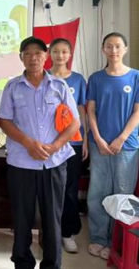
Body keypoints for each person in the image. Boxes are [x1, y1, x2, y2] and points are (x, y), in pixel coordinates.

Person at [0, 36, 80, 269]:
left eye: (38, 53)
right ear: (21, 57)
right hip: (21, 162)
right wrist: (28, 143)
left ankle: (52, 264)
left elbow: (74, 123)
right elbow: (4, 121)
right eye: (28, 53)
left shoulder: (59, 86)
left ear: (45, 57)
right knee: (21, 218)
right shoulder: (12, 87)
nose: (33, 58)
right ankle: (22, 263)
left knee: (52, 217)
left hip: (54, 162)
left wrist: (54, 146)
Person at [86, 32, 139, 260]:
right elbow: (90, 111)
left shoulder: (137, 77)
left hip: (127, 146)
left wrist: (121, 138)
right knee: (97, 192)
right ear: (103, 49)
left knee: (122, 194)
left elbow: (138, 111)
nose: (113, 50)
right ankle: (98, 239)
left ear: (125, 49)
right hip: (99, 145)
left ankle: (117, 243)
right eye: (109, 46)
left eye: (117, 46)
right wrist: (98, 138)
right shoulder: (96, 78)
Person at [48, 38, 88, 254]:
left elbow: (81, 111)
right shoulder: (43, 77)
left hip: (73, 142)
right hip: (49, 143)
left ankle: (67, 232)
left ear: (70, 54)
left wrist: (85, 139)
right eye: (56, 51)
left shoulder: (78, 80)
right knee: (50, 189)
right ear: (49, 54)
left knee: (70, 189)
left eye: (64, 51)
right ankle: (50, 232)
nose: (60, 55)